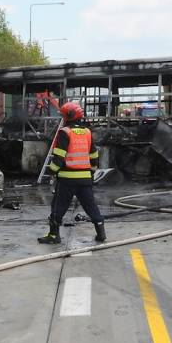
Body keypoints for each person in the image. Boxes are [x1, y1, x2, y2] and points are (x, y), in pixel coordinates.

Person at [38, 102, 106, 244]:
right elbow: (94, 155)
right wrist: (91, 172)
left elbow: (59, 157)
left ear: (68, 116)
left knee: (58, 206)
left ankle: (53, 235)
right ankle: (101, 233)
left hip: (67, 179)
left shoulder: (65, 132)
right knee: (91, 206)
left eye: (63, 115)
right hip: (85, 179)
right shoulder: (87, 132)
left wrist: (51, 172)